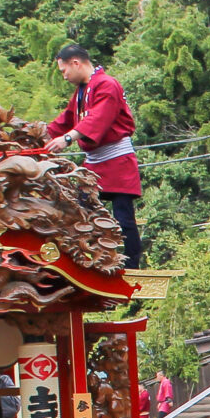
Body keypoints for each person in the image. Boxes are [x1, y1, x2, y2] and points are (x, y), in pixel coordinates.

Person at [42, 45, 143, 268]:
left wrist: (67, 139)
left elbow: (98, 118)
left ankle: (132, 265)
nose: (64, 76)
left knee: (123, 218)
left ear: (75, 63)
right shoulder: (81, 92)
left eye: (64, 70)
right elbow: (65, 120)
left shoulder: (107, 84)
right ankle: (87, 259)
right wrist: (39, 136)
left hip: (117, 160)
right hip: (93, 163)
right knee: (78, 210)